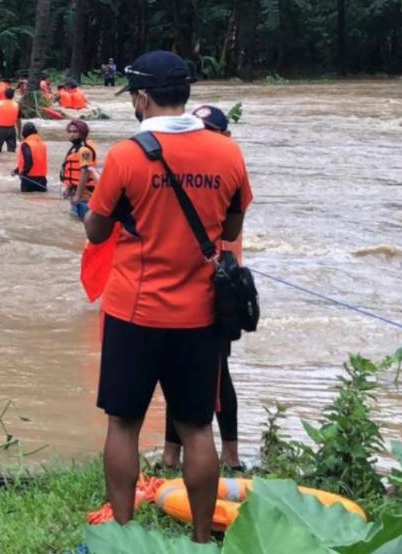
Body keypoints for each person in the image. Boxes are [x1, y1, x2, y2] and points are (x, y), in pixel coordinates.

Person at [84, 50, 253, 544]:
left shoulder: (125, 157)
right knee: (198, 427)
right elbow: (232, 226)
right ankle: (202, 538)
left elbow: (96, 232)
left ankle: (123, 534)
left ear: (141, 97)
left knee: (124, 424)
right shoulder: (227, 153)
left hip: (133, 312)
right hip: (200, 313)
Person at [161, 104, 241, 472]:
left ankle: (231, 454)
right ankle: (169, 453)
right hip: (181, 281)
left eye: (209, 130)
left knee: (217, 372)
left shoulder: (228, 164)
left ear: (224, 135)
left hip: (218, 283)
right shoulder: (197, 163)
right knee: (173, 370)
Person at [60, 119, 98, 220]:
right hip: (75, 193)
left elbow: (85, 173)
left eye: (75, 132)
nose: (72, 134)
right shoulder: (74, 149)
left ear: (82, 133)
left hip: (84, 196)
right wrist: (68, 188)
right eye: (70, 132)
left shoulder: (84, 150)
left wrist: (77, 195)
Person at [11, 122, 48, 192]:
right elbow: (35, 160)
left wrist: (23, 174)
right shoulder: (42, 144)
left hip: (29, 180)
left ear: (24, 133)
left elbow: (29, 161)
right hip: (42, 180)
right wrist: (16, 171)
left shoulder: (26, 144)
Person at [0, 87, 21, 153]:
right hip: (12, 130)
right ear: (13, 96)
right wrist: (19, 133)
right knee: (11, 151)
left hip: (0, 130)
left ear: (4, 94)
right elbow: (19, 121)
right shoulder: (16, 105)